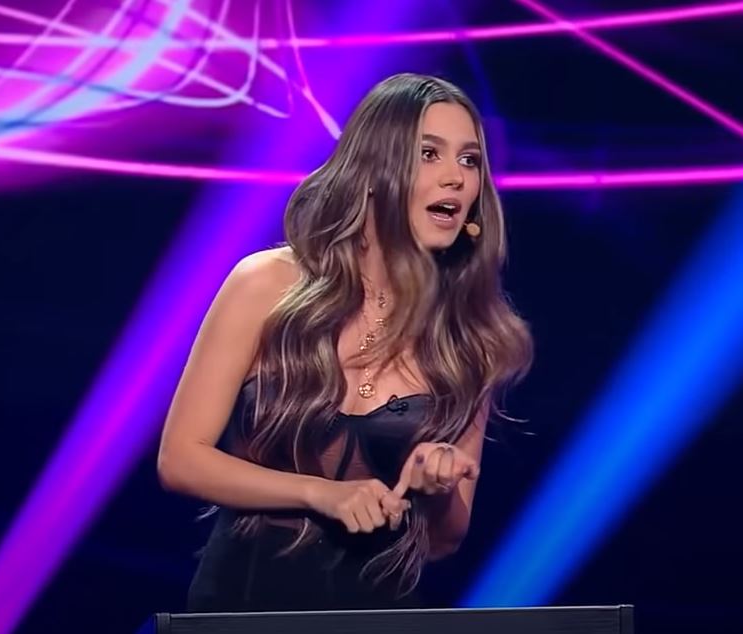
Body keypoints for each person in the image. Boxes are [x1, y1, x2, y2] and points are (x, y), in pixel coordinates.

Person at [157, 72, 532, 613]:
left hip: (378, 612)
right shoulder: (266, 284)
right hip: (240, 606)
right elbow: (181, 459)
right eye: (429, 154)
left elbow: (444, 541)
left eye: (470, 160)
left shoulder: (469, 338)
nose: (455, 177)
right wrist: (320, 493)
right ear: (374, 169)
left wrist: (438, 486)